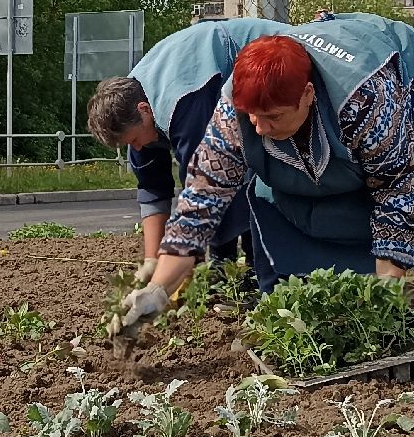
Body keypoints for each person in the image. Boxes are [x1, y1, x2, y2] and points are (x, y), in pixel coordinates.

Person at [115, 13, 414, 344]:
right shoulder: (233, 112)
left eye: (273, 117)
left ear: (307, 96)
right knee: (275, 188)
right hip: (334, 81)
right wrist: (156, 292)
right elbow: (200, 204)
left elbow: (395, 195)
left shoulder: (365, 103)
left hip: (406, 69)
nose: (260, 129)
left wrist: (385, 295)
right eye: (253, 117)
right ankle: (297, 305)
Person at [87, 17, 293, 268]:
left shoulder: (183, 103)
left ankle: (253, 269)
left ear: (144, 111)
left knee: (251, 176)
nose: (137, 148)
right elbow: (152, 189)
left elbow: (207, 187)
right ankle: (233, 269)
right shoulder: (131, 107)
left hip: (278, 58)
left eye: (133, 140)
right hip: (219, 78)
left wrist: (189, 260)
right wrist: (152, 262)